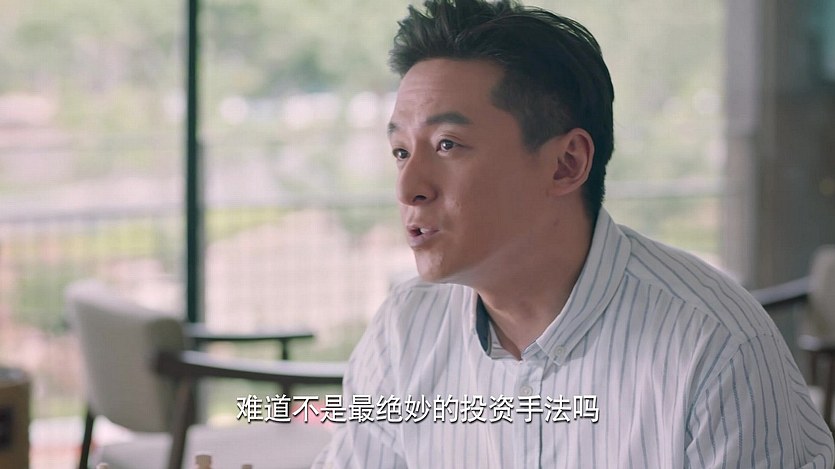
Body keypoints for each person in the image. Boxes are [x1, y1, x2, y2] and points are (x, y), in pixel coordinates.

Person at [313, 0, 835, 467]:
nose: (409, 188)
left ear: (566, 163)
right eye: (401, 151)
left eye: (448, 145)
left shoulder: (713, 347)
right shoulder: (405, 331)